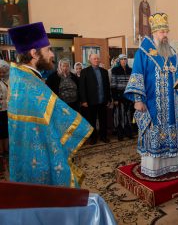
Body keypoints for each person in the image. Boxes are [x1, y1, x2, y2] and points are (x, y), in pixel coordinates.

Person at [7, 22, 92, 187]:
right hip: (38, 157)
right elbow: (57, 114)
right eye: (48, 50)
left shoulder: (20, 78)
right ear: (34, 53)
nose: (52, 54)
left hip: (28, 153)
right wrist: (82, 125)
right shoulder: (31, 84)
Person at [124, 13, 178, 178]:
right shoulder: (144, 52)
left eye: (166, 31)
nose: (165, 35)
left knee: (172, 131)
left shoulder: (172, 53)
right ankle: (154, 167)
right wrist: (138, 100)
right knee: (154, 133)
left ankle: (173, 165)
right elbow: (137, 75)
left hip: (172, 106)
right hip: (152, 104)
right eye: (161, 32)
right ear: (154, 33)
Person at [80, 53, 111, 145]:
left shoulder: (104, 71)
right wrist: (84, 100)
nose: (96, 60)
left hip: (102, 100)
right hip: (90, 101)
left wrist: (109, 99)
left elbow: (107, 86)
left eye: (97, 58)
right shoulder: (84, 71)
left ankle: (103, 136)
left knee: (103, 120)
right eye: (94, 59)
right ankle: (93, 138)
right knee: (92, 120)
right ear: (90, 60)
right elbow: (82, 87)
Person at [111, 54, 134, 140]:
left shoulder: (130, 70)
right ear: (119, 61)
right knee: (119, 115)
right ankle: (120, 134)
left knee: (128, 115)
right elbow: (113, 85)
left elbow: (132, 83)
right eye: (122, 59)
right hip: (119, 96)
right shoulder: (115, 70)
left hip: (128, 96)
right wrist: (115, 98)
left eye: (125, 59)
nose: (124, 61)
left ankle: (128, 133)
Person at [0, 60, 9, 174]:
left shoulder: (6, 82)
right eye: (0, 72)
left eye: (3, 72)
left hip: (5, 109)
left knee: (5, 131)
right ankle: (1, 151)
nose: (2, 74)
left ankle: (6, 150)